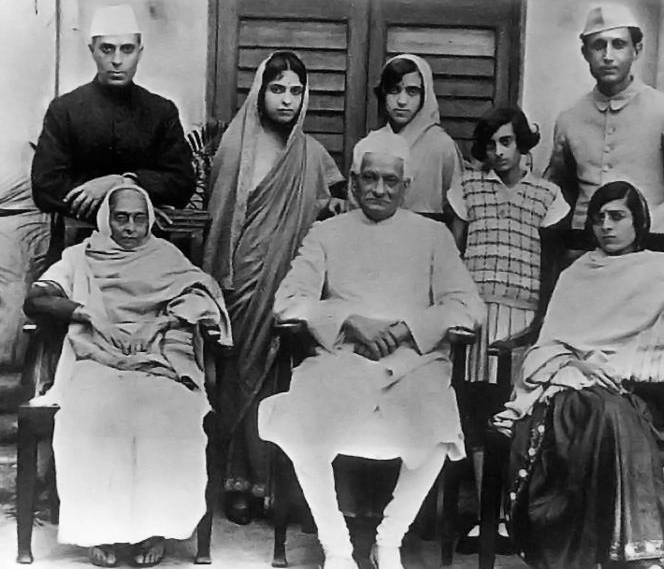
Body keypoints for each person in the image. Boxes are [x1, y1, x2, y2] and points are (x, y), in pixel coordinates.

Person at [258, 130, 485, 569]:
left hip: (412, 364)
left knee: (439, 424)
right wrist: (348, 320)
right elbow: (287, 302)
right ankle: (337, 547)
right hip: (342, 359)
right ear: (355, 180)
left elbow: (467, 307)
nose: (379, 189)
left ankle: (390, 538)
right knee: (303, 419)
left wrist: (408, 328)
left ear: (406, 186)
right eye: (369, 178)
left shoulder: (433, 236)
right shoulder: (325, 233)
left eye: (390, 181)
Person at [492, 182, 664, 569]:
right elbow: (549, 342)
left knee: (612, 410)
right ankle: (627, 554)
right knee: (597, 409)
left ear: (638, 222)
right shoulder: (577, 273)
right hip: (569, 385)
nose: (605, 226)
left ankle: (618, 551)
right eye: (598, 218)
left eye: (616, 216)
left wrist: (621, 366)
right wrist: (579, 366)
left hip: (636, 389)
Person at [24, 185, 231, 568]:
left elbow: (202, 294)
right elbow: (36, 298)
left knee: (166, 415)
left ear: (149, 219)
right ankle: (98, 532)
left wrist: (164, 323)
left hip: (158, 361)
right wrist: (86, 313)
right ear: (107, 218)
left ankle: (154, 530)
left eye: (139, 218)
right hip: (96, 358)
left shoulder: (166, 256)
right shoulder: (82, 257)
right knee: (92, 414)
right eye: (121, 217)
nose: (131, 227)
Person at [203, 51, 344, 524]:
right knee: (242, 380)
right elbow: (220, 222)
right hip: (242, 285)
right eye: (277, 88)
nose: (286, 99)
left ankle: (286, 489)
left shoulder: (313, 156)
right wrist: (221, 281)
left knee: (290, 382)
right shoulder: (235, 147)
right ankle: (239, 484)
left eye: (296, 90)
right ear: (260, 92)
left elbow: (334, 210)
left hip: (295, 288)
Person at [447, 105, 569, 550]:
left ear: (521, 145)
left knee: (515, 414)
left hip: (523, 323)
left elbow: (553, 269)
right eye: (491, 144)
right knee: (476, 414)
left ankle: (514, 518)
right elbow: (451, 254)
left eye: (507, 142)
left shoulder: (547, 196)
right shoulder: (468, 187)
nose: (498, 152)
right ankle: (486, 515)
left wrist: (541, 326)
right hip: (475, 318)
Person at [544, 3, 664, 235]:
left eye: (618, 45)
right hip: (582, 250)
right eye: (598, 46)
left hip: (646, 249)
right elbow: (556, 188)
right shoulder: (570, 118)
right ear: (585, 53)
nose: (608, 56)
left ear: (636, 50)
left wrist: (648, 221)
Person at [31, 4, 194, 227]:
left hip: (146, 242)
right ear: (92, 51)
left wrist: (122, 183)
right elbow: (45, 187)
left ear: (140, 51)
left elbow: (181, 183)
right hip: (79, 240)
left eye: (127, 49)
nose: (117, 60)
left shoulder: (161, 111)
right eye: (107, 49)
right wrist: (131, 199)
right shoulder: (65, 109)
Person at [369, 54, 464, 221]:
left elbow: (459, 211)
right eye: (394, 90)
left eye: (412, 92)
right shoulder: (371, 144)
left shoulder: (442, 146)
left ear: (425, 96)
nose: (402, 101)